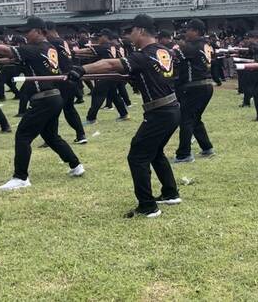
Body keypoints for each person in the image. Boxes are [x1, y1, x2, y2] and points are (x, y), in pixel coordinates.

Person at [71, 14, 181, 218]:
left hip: (159, 112)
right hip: (172, 107)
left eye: (131, 31)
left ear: (140, 31)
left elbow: (111, 64)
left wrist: (81, 69)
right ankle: (170, 193)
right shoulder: (164, 51)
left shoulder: (144, 54)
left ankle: (148, 206)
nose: (129, 36)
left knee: (137, 156)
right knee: (155, 152)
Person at [0, 16, 85, 190]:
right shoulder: (49, 48)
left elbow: (8, 50)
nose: (25, 36)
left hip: (44, 99)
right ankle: (76, 166)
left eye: (27, 32)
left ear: (39, 31)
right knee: (51, 136)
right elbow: (9, 57)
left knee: (23, 136)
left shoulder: (35, 48)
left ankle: (21, 177)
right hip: (53, 97)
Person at [172, 18, 216, 163]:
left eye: (188, 30)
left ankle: (184, 154)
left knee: (185, 119)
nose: (186, 33)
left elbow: (173, 57)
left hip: (195, 86)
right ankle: (207, 147)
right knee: (195, 118)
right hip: (206, 86)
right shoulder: (206, 45)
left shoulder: (193, 46)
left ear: (196, 31)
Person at [45, 22, 88, 145]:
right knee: (69, 108)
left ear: (48, 31)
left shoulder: (53, 43)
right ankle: (81, 134)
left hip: (62, 79)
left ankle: (51, 138)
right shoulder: (62, 41)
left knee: (54, 109)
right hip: (70, 77)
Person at [76, 29, 129, 124]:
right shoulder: (114, 46)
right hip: (114, 74)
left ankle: (91, 118)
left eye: (100, 36)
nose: (99, 38)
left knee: (97, 94)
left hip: (106, 74)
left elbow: (88, 51)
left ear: (105, 36)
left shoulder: (103, 47)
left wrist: (74, 52)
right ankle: (124, 114)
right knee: (113, 95)